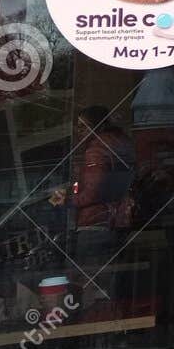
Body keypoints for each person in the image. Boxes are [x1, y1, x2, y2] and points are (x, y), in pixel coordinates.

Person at [49, 107, 137, 249]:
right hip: (119, 219)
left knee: (89, 265)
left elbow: (94, 191)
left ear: (98, 126)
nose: (79, 131)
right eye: (78, 127)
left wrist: (67, 200)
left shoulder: (96, 149)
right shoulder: (121, 143)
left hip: (95, 221)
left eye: (83, 127)